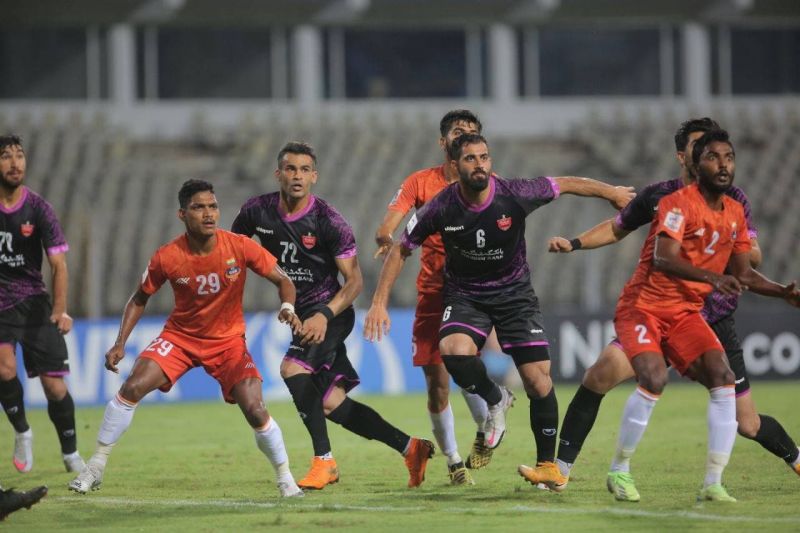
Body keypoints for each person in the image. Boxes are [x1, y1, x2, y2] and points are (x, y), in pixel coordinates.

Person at [528, 118, 800, 494]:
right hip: (657, 310)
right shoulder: (662, 198)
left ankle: (794, 459)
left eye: (718, 150)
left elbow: (751, 256)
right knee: (599, 375)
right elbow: (617, 227)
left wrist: (734, 247)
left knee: (747, 423)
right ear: (684, 156)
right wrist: (574, 243)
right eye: (701, 147)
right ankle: (561, 470)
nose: (711, 156)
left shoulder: (733, 201)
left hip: (712, 316)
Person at [364, 134, 634, 485]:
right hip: (466, 296)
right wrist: (378, 302)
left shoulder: (514, 193)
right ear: (455, 166)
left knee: (537, 379)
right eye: (471, 159)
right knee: (452, 350)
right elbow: (401, 248)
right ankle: (496, 399)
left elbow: (565, 183)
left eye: (484, 157)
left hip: (514, 296)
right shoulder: (441, 206)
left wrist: (612, 192)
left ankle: (547, 466)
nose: (479, 165)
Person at [68, 179, 304, 498]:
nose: (208, 214)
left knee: (255, 409)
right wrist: (120, 342)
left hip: (228, 343)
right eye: (198, 207)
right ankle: (95, 466)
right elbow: (139, 298)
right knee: (132, 386)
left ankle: (285, 478)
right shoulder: (167, 257)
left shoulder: (239, 246)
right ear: (182, 214)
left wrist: (288, 306)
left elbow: (283, 280)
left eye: (213, 206)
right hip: (181, 338)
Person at [601, 129, 799, 502]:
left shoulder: (735, 212)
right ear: (696, 163)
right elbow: (663, 257)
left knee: (723, 378)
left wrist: (782, 293)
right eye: (713, 157)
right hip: (644, 307)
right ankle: (619, 470)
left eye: (729, 157)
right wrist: (713, 278)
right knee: (654, 377)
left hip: (685, 313)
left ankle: (713, 483)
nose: (723, 165)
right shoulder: (677, 204)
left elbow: (744, 274)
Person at [232, 142, 434, 491]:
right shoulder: (256, 212)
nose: (297, 176)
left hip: (332, 313)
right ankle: (410, 448)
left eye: (304, 170)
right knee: (331, 404)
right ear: (278, 174)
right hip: (300, 313)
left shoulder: (328, 221)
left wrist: (324, 315)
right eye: (290, 169)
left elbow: (354, 282)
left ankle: (324, 462)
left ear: (314, 176)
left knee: (292, 369)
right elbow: (232, 250)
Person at [373, 110, 490, 484]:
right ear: (444, 142)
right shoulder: (421, 182)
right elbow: (389, 225)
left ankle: (486, 430)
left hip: (471, 291)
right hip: (433, 293)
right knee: (437, 384)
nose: (464, 137)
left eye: (471, 132)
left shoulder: (488, 184)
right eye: (458, 132)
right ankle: (454, 462)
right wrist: (385, 237)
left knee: (466, 369)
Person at [0, 135, 84, 473]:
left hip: (35, 303)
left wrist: (59, 309)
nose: (15, 163)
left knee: (54, 386)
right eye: (6, 156)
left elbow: (58, 265)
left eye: (19, 156)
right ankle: (23, 432)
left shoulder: (38, 208)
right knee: (3, 368)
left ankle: (71, 454)